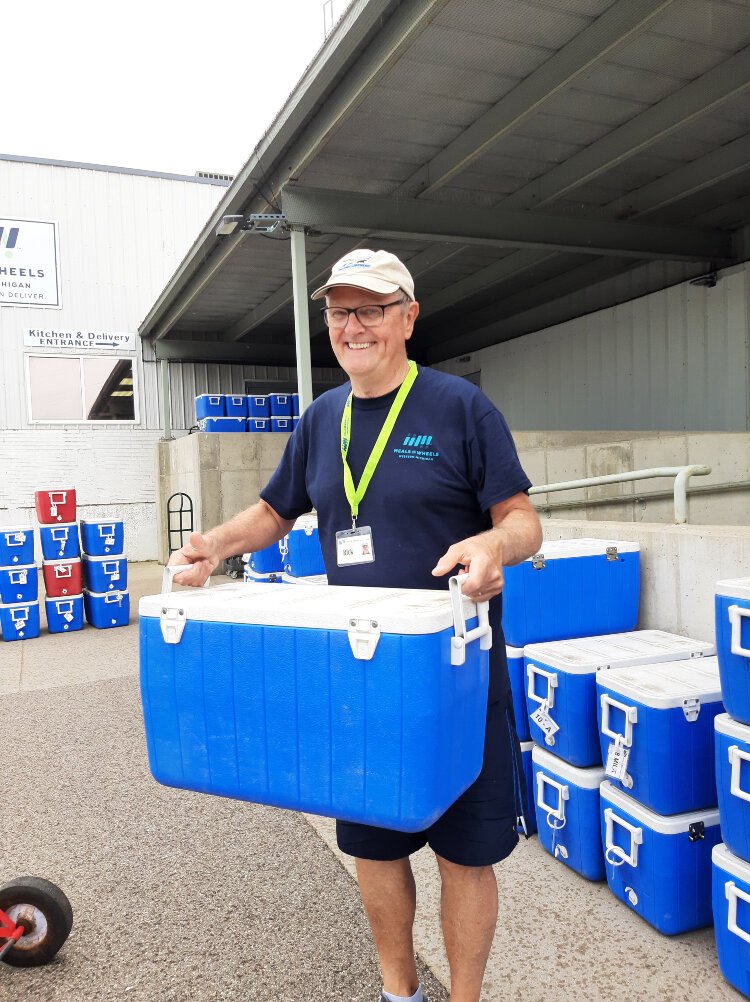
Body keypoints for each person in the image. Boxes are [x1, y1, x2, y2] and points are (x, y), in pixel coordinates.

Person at [169, 248, 543, 1002]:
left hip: (457, 674)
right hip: (363, 674)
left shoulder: (459, 408)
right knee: (376, 852)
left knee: (467, 857)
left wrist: (490, 544)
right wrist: (212, 544)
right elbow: (275, 513)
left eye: (370, 308)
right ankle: (398, 993)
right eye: (340, 311)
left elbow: (523, 520)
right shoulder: (320, 419)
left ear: (408, 317)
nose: (352, 326)